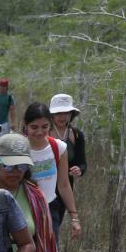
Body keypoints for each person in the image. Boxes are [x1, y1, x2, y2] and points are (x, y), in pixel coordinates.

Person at [22, 102, 82, 240]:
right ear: (25, 125)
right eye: (34, 127)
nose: (39, 132)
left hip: (49, 209)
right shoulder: (18, 147)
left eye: (44, 127)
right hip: (23, 210)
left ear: (50, 124)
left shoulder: (59, 147)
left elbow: (64, 184)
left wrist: (74, 217)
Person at [49, 93, 87, 239]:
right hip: (43, 185)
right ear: (51, 114)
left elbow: (82, 162)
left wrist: (79, 170)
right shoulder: (43, 132)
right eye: (58, 112)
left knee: (55, 227)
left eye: (66, 112)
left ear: (71, 114)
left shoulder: (76, 135)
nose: (62, 116)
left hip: (64, 188)